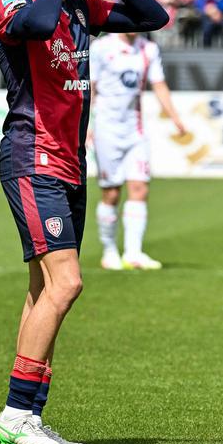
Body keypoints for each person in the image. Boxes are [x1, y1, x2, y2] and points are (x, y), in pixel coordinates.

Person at [0, 0, 168, 444]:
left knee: (43, 290)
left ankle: (22, 415)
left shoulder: (78, 5)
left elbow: (153, 17)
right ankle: (18, 413)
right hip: (33, 157)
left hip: (70, 163)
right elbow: (39, 27)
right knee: (67, 284)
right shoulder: (15, 3)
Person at [90, 32, 185, 271]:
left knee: (139, 188)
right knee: (111, 192)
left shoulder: (148, 49)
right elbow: (90, 87)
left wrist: (175, 118)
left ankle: (133, 253)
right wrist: (86, 124)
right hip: (106, 129)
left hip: (135, 130)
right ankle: (109, 251)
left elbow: (159, 84)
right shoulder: (101, 47)